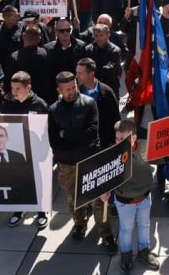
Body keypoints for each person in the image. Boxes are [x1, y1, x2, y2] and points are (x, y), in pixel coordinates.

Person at [48, 71, 109, 245]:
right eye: (67, 89)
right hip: (67, 164)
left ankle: (105, 231)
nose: (72, 91)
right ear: (59, 90)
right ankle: (80, 224)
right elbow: (54, 140)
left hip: (90, 159)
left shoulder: (89, 103)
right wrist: (75, 139)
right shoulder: (53, 110)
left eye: (73, 86)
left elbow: (91, 133)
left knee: (99, 197)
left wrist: (65, 134)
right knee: (74, 199)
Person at [100, 119, 160, 273]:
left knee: (144, 225)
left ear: (133, 137)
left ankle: (143, 252)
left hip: (145, 197)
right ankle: (126, 255)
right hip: (124, 201)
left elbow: (161, 157)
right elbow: (105, 177)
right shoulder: (112, 153)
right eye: (117, 138)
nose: (119, 142)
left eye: (123, 138)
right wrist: (104, 191)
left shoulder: (144, 147)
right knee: (126, 229)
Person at [0, 71, 49, 229]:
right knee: (17, 181)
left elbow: (46, 132)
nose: (13, 92)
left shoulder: (39, 105)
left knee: (37, 182)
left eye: (17, 88)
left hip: (35, 151)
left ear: (28, 87)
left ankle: (41, 211)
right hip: (15, 150)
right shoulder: (8, 103)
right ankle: (19, 210)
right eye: (12, 88)